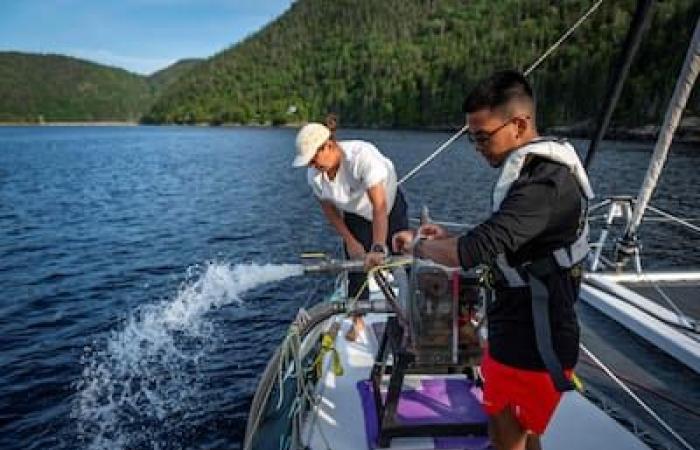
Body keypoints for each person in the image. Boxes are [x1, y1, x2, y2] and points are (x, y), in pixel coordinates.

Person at [393, 70, 594, 450]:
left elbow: (465, 255)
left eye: (483, 136)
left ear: (519, 125)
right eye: (472, 138)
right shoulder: (533, 175)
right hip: (517, 332)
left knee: (506, 437)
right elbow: (506, 241)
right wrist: (447, 236)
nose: (477, 146)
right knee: (521, 431)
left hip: (533, 344)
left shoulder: (544, 186)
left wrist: (415, 244)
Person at [293, 115, 409, 341]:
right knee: (356, 269)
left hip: (388, 208)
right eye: (308, 161)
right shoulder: (314, 177)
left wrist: (376, 247)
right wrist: (351, 241)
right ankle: (358, 319)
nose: (311, 165)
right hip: (355, 215)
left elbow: (379, 205)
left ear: (328, 145)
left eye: (313, 158)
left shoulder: (362, 157)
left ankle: (410, 313)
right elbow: (330, 212)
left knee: (402, 260)